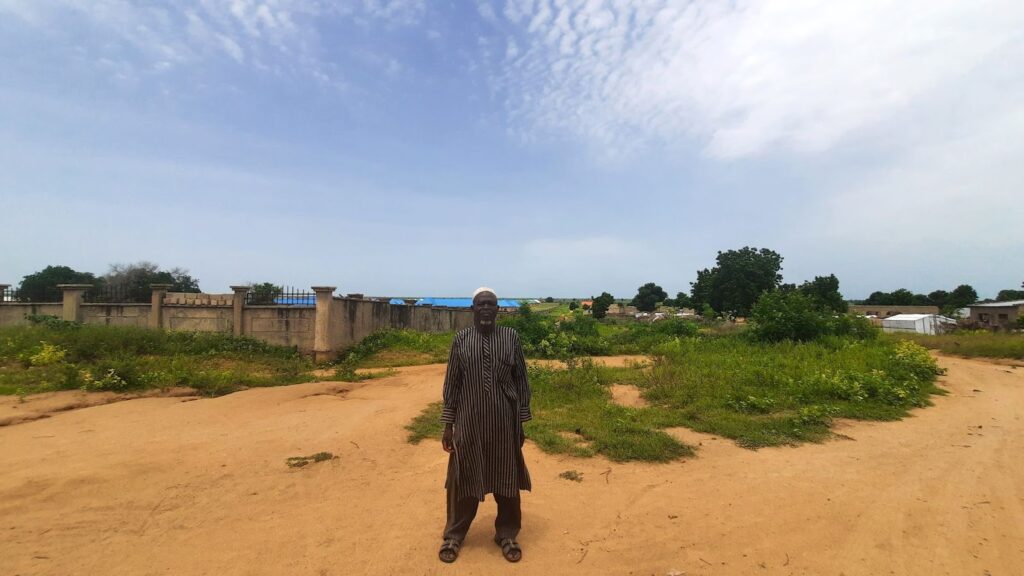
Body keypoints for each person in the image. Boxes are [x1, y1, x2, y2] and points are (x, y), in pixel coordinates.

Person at [438, 287, 532, 563]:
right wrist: (448, 424)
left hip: (505, 424)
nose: (487, 309)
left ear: (498, 309)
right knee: (463, 476)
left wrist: (521, 422)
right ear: (473, 309)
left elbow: (521, 381)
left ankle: (506, 533)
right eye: (482, 304)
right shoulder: (461, 340)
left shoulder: (511, 338)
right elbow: (452, 384)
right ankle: (453, 536)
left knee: (507, 478)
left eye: (492, 304)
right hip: (469, 422)